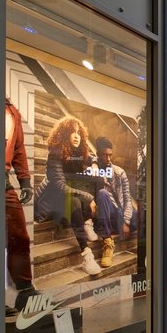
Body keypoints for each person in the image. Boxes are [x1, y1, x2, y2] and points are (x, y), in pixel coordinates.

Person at [35, 116, 102, 275]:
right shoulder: (55, 154)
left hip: (64, 197)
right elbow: (59, 186)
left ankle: (86, 221)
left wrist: (94, 164)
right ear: (64, 134)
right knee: (76, 202)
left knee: (95, 181)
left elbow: (92, 157)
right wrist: (88, 197)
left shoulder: (77, 151)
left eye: (79, 132)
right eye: (72, 132)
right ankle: (87, 255)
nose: (77, 135)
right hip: (49, 202)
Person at [4, 99, 39, 310]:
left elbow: (18, 149)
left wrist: (24, 180)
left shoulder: (11, 111)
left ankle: (25, 288)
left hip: (2, 180)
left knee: (19, 235)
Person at [93, 136, 136, 268]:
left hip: (120, 213)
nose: (108, 159)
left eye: (110, 155)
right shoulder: (94, 171)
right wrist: (94, 163)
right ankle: (107, 243)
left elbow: (128, 199)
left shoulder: (119, 172)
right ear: (98, 154)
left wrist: (126, 221)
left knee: (142, 214)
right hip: (106, 215)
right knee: (102, 193)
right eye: (104, 155)